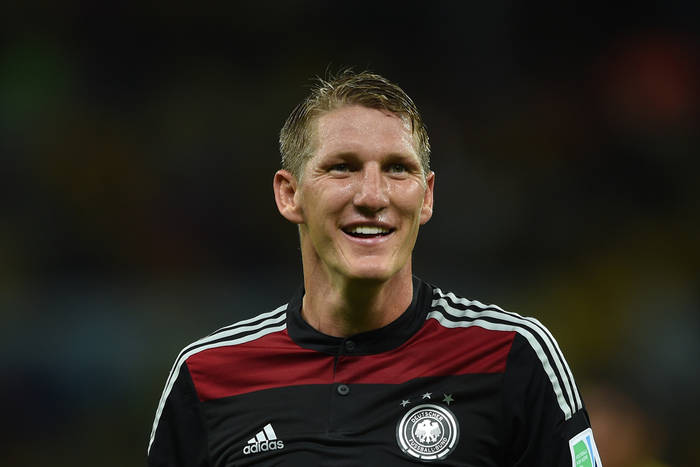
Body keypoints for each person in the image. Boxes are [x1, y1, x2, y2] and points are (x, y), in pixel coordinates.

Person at [147, 70, 602, 466]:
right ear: (290, 194)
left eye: (397, 169)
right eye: (342, 168)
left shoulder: (511, 354)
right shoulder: (206, 375)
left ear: (426, 197)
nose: (372, 196)